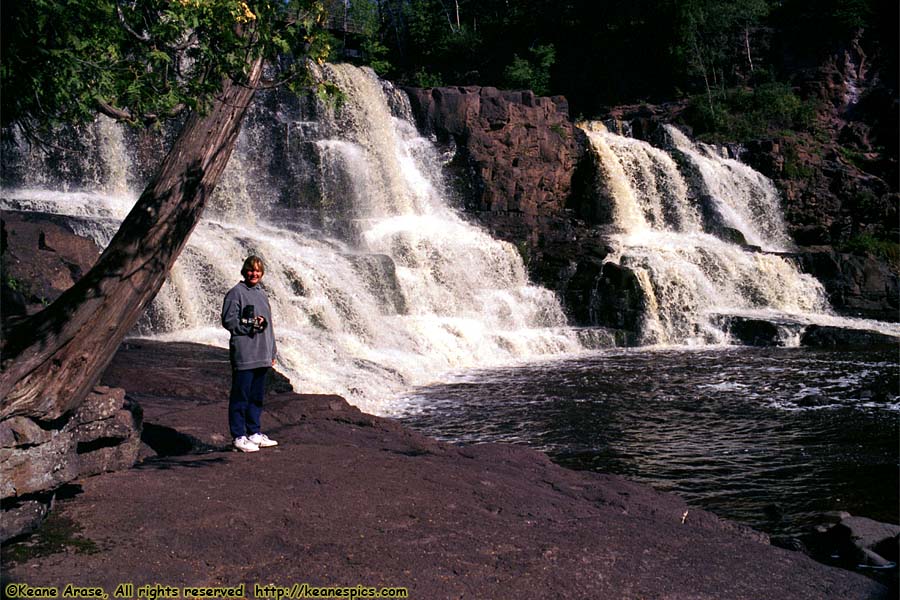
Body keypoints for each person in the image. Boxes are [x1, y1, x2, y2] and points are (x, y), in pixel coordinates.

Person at [221, 255, 279, 452]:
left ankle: (254, 433)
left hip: (262, 354)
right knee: (240, 396)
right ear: (244, 270)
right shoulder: (235, 293)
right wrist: (250, 327)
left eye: (257, 271)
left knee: (256, 397)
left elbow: (269, 326)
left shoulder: (262, 294)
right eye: (251, 270)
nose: (254, 274)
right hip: (245, 354)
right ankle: (238, 436)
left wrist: (272, 351)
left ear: (262, 273)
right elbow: (229, 321)